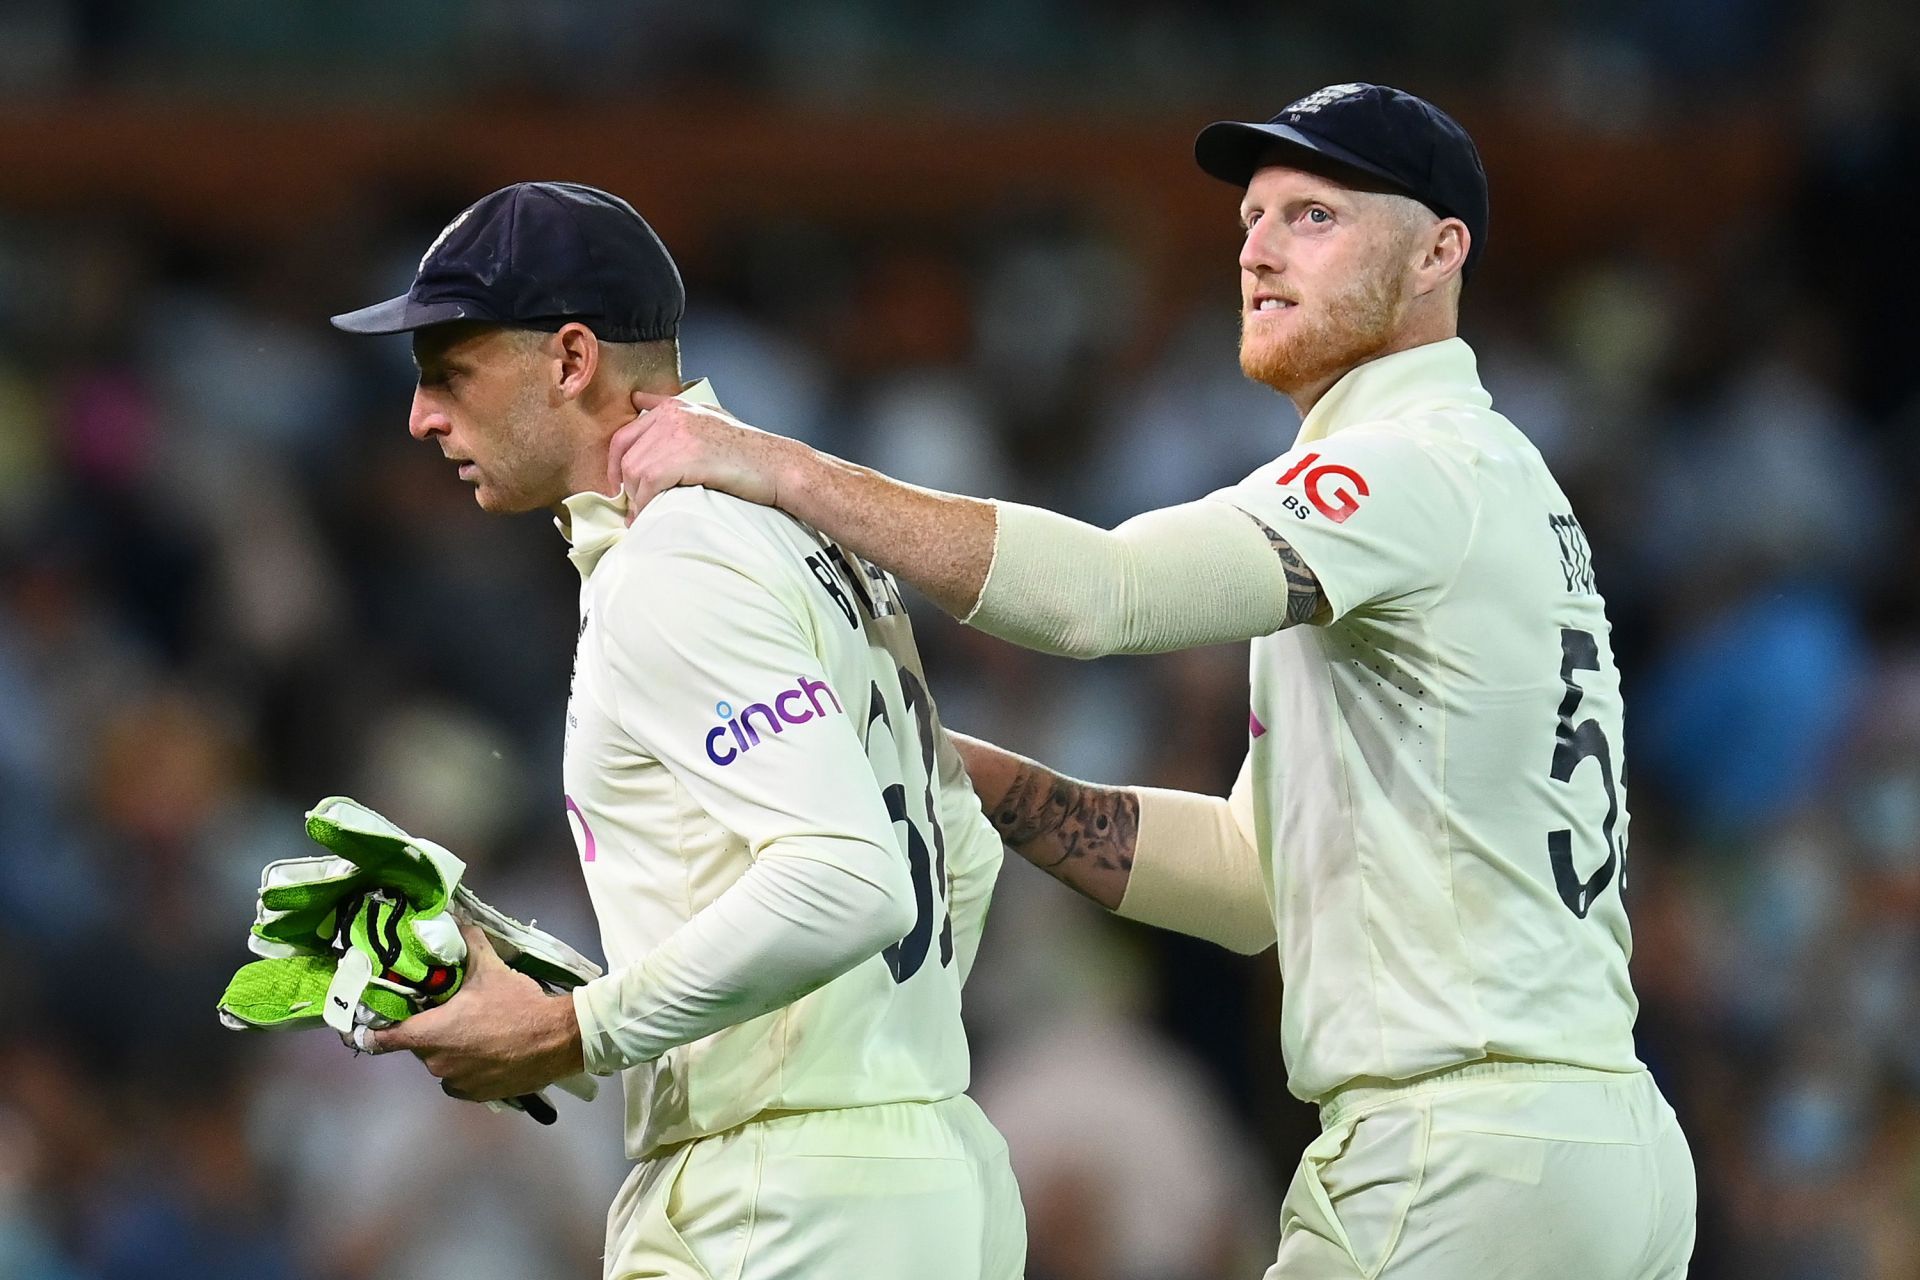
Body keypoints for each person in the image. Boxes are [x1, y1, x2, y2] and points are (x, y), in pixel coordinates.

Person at [605, 84, 1697, 1278]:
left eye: (1315, 216)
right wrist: (975, 776)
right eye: (1254, 218)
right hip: (1595, 1145)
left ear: (1441, 252)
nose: (1260, 248)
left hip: (1464, 1154)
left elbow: (1103, 597)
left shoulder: (1404, 469)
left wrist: (775, 466)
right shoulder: (1497, 472)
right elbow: (1252, 878)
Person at [328, 181, 1025, 1280]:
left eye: (448, 370)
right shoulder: (798, 528)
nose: (420, 414)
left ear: (569, 360)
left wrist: (576, 1029)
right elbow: (958, 844)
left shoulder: (677, 556)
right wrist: (870, 1055)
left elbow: (850, 880)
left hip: (785, 1199)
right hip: (915, 1166)